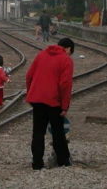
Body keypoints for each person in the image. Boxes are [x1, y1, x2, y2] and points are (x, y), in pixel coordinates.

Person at [25, 37, 75, 170]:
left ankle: (37, 163)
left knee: (38, 132)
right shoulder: (66, 60)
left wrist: (30, 94)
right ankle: (64, 160)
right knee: (58, 132)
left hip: (37, 100)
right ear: (69, 48)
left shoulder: (41, 54)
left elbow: (29, 75)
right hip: (54, 101)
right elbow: (65, 84)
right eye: (70, 52)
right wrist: (65, 106)